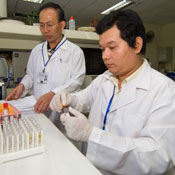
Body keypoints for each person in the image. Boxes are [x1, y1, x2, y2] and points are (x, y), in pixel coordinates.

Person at [49, 9, 175, 175]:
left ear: (137, 45)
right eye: (102, 49)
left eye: (112, 47)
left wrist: (91, 135)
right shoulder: (105, 78)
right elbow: (85, 99)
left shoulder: (164, 90)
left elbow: (158, 157)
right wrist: (68, 98)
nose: (105, 56)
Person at [5, 2, 85, 114]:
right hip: (37, 106)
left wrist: (53, 93)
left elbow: (76, 81)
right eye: (42, 25)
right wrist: (22, 86)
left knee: (56, 131)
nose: (45, 30)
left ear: (62, 25)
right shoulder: (36, 50)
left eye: (50, 25)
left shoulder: (75, 52)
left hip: (61, 109)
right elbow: (30, 75)